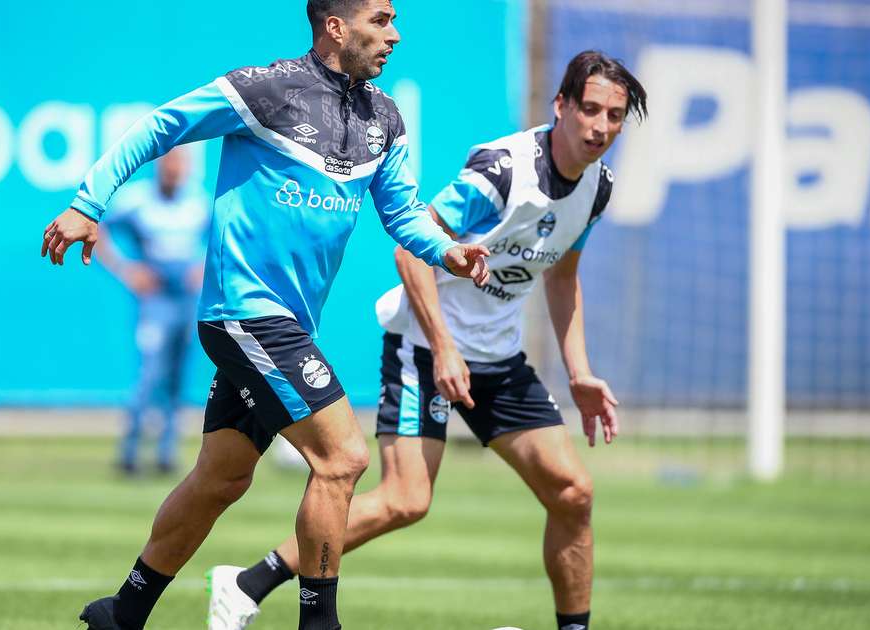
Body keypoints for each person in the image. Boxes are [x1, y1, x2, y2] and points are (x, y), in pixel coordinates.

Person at [39, 1, 491, 628]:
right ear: (336, 26)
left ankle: (124, 611)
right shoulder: (267, 88)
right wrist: (88, 203)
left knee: (220, 479)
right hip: (246, 315)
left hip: (287, 328)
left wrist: (449, 250)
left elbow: (403, 211)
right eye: (382, 19)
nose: (396, 34)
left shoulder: (383, 116)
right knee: (343, 459)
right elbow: (158, 127)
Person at [208, 50, 647, 630]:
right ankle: (249, 582)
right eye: (590, 109)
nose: (601, 126)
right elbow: (409, 253)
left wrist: (580, 372)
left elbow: (562, 274)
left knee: (573, 492)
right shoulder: (503, 171)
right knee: (407, 499)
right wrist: (442, 345)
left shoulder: (598, 187)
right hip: (424, 350)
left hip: (498, 358)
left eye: (615, 116)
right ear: (561, 105)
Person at [95, 147, 209, 475]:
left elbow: (221, 238)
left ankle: (166, 453)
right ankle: (130, 451)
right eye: (169, 164)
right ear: (159, 166)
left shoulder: (197, 202)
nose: (174, 171)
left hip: (187, 299)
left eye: (180, 165)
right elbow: (99, 228)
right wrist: (127, 270)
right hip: (156, 299)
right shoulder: (138, 201)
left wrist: (202, 268)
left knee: (177, 376)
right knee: (149, 374)